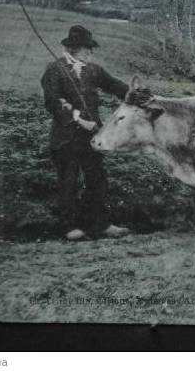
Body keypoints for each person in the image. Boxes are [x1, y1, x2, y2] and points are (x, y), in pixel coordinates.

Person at [41, 25, 131, 241]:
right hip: (66, 138)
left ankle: (101, 224)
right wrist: (80, 121)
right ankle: (69, 227)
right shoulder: (54, 70)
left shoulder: (94, 70)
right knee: (68, 181)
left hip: (93, 138)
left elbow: (115, 86)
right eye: (86, 48)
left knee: (97, 179)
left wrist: (139, 95)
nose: (90, 52)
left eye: (91, 48)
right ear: (72, 49)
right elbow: (52, 102)